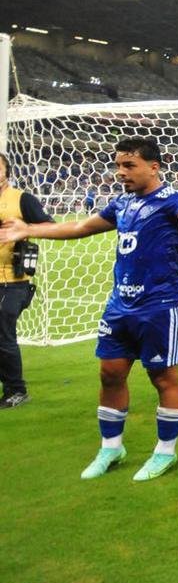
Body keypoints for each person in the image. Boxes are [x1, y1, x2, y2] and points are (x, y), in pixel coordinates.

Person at [0, 138, 178, 480]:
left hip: (160, 305)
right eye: (118, 165)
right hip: (119, 305)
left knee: (163, 377)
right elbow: (82, 227)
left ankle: (165, 452)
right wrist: (29, 228)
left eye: (129, 166)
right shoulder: (122, 204)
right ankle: (111, 447)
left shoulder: (173, 198)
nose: (120, 172)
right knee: (110, 374)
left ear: (153, 167)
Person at [0, 153, 54, 409]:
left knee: (3, 333)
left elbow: (50, 226)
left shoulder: (22, 199)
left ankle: (16, 390)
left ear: (6, 172)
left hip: (12, 281)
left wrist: (25, 227)